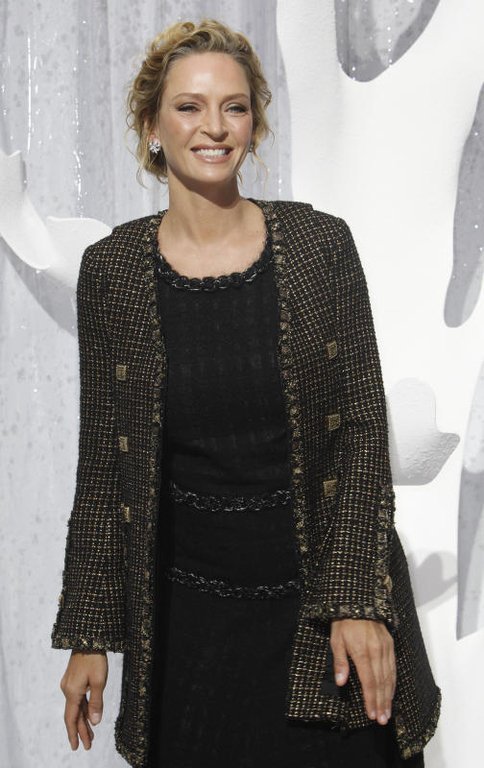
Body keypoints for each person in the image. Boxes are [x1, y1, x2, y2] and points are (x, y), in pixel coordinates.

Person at [51, 18, 441, 768]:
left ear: (254, 124)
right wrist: (90, 633)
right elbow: (104, 462)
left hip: (324, 615)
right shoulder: (113, 272)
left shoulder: (320, 246)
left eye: (234, 107)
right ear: (151, 125)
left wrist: (355, 601)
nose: (215, 127)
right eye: (189, 106)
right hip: (192, 633)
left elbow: (363, 428)